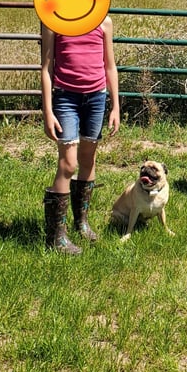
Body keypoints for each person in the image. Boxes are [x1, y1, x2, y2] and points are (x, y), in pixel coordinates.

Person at [40, 17, 120, 254]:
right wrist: (48, 110)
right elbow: (46, 68)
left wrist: (115, 105)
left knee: (88, 159)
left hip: (96, 98)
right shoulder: (54, 23)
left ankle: (81, 222)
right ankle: (56, 237)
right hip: (66, 98)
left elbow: (109, 66)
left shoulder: (104, 23)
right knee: (68, 164)